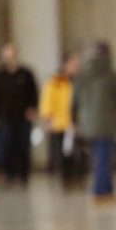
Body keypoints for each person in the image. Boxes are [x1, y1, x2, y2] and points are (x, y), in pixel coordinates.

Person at [71, 41, 116, 203]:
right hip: (106, 124)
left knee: (99, 157)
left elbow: (74, 101)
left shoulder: (82, 76)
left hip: (87, 125)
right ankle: (99, 192)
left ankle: (109, 191)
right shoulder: (112, 76)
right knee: (104, 158)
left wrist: (74, 122)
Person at [0, 43, 38, 184]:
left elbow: (33, 93)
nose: (10, 58)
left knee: (24, 145)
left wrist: (32, 108)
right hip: (5, 117)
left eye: (12, 54)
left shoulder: (26, 73)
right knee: (7, 145)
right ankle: (9, 174)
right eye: (7, 55)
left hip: (23, 117)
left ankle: (24, 174)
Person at [39, 52, 79, 180]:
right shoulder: (56, 80)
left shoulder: (76, 81)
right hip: (60, 123)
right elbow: (47, 100)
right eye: (73, 64)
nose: (76, 67)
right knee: (62, 153)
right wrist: (48, 117)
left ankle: (76, 176)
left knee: (75, 153)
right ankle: (65, 177)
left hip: (74, 124)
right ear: (66, 65)